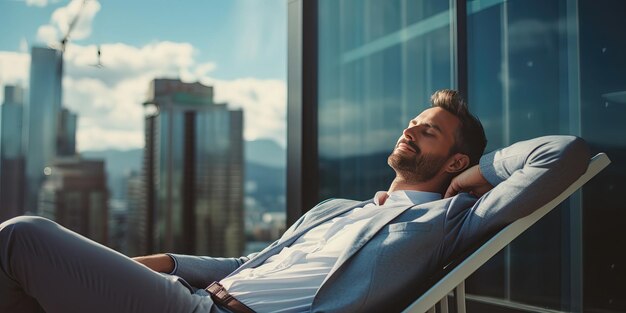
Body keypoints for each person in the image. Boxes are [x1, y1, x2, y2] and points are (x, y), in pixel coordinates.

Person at [0, 90, 590, 313]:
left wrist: (479, 175)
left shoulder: (447, 222)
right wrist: (173, 264)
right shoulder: (337, 208)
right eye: (411, 122)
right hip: (195, 298)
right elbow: (246, 267)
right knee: (27, 289)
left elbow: (561, 154)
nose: (408, 131)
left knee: (21, 236)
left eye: (428, 132)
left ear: (455, 161)